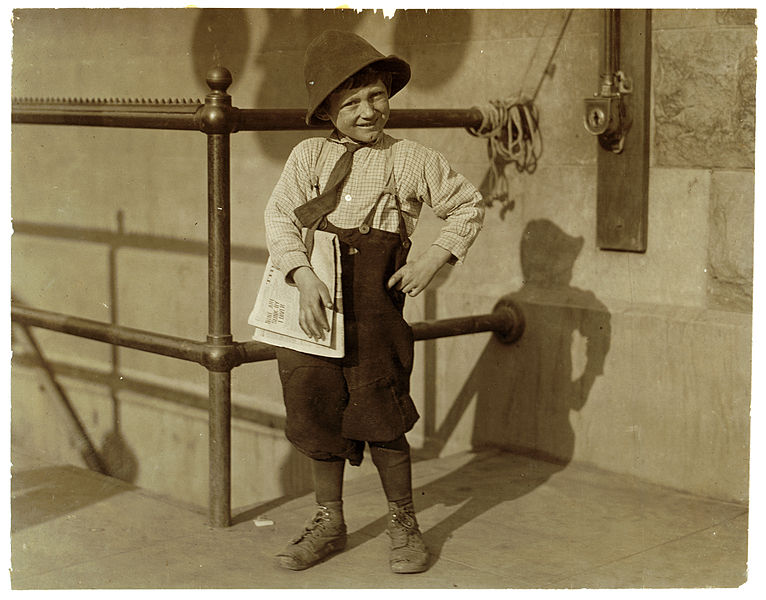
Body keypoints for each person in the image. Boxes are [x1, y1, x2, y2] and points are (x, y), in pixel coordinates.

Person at [263, 29, 484, 574]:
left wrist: (434, 259)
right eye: (350, 102)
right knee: (315, 405)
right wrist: (301, 273)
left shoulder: (410, 160)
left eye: (376, 97)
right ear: (326, 110)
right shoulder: (308, 156)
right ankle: (328, 519)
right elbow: (281, 215)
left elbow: (467, 206)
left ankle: (404, 521)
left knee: (381, 412)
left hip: (375, 306)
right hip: (314, 301)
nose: (367, 112)